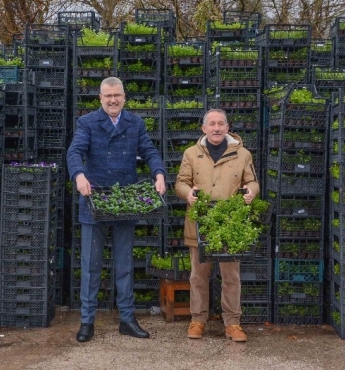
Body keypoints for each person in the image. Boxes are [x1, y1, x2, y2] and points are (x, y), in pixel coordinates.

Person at [67, 76, 167, 343]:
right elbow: (75, 152)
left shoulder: (135, 122)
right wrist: (78, 175)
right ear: (100, 98)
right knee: (91, 265)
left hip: (125, 199)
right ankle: (87, 321)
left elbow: (149, 150)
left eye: (117, 95)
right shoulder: (87, 122)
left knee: (124, 263)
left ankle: (127, 319)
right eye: (107, 96)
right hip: (94, 199)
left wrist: (158, 173)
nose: (113, 100)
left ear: (124, 97)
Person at [175, 108, 260, 342]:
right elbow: (181, 182)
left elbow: (252, 181)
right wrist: (188, 194)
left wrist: (251, 192)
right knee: (198, 276)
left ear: (227, 127)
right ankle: (198, 320)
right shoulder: (191, 153)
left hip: (229, 224)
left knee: (231, 276)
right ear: (204, 129)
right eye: (211, 124)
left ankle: (233, 323)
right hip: (199, 223)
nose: (216, 128)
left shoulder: (242, 154)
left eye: (220, 124)